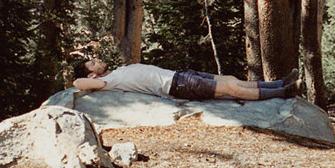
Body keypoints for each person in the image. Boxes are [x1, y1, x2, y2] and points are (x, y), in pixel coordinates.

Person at [72, 58, 299, 101]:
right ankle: (285, 92)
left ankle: (279, 83)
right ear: (92, 75)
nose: (97, 60)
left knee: (230, 78)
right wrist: (77, 79)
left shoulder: (114, 73)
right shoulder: (106, 83)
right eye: (92, 64)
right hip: (178, 86)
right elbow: (78, 83)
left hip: (180, 76)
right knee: (231, 88)